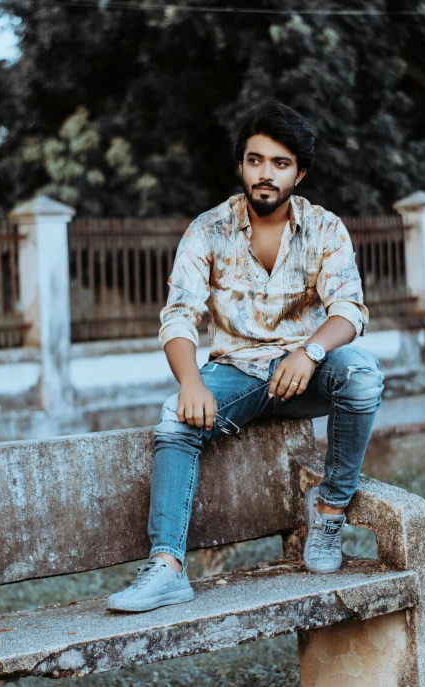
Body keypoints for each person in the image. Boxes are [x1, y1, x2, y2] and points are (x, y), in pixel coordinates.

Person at [107, 101, 384, 613]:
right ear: (241, 166)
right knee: (174, 419)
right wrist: (191, 383)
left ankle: (327, 513)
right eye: (255, 160)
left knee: (363, 375)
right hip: (235, 372)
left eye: (280, 163)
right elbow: (179, 315)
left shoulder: (324, 228)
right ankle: (167, 568)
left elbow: (350, 308)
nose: (265, 174)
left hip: (309, 373)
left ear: (299, 173)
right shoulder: (208, 229)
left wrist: (310, 350)